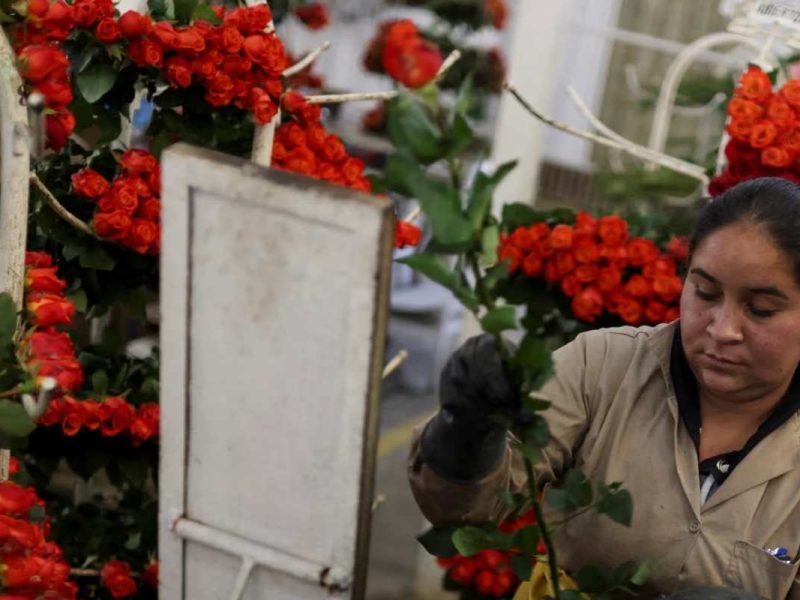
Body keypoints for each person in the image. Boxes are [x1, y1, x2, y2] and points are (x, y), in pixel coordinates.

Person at [408, 177, 800, 599]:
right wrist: (464, 433)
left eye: (760, 310)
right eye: (705, 293)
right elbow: (459, 506)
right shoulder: (603, 368)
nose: (722, 330)